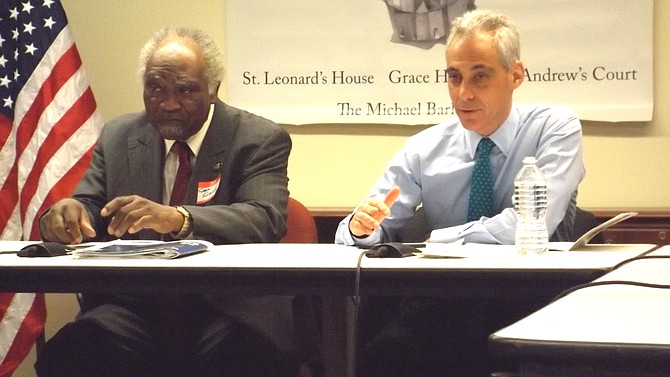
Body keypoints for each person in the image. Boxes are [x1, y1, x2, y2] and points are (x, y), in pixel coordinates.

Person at [335, 9, 585, 377]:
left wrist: (441, 238)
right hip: (445, 300)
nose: (463, 93)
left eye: (480, 76)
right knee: (383, 354)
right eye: (454, 77)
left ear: (515, 75)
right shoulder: (426, 147)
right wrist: (361, 227)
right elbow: (361, 230)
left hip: (530, 297)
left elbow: (531, 224)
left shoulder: (555, 129)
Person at [36, 27, 298, 377]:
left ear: (213, 89)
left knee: (245, 357)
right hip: (135, 307)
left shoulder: (258, 138)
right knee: (72, 353)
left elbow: (264, 218)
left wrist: (178, 219)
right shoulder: (119, 135)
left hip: (226, 307)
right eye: (155, 88)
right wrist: (68, 214)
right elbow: (91, 206)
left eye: (186, 90)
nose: (168, 103)